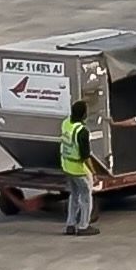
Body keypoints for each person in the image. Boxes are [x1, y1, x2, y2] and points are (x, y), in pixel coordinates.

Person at [56, 92, 101, 236]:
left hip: (66, 165)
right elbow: (85, 156)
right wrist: (93, 173)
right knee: (86, 197)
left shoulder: (66, 123)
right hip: (78, 168)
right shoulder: (82, 131)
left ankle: (70, 224)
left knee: (74, 195)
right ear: (83, 115)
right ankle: (83, 226)